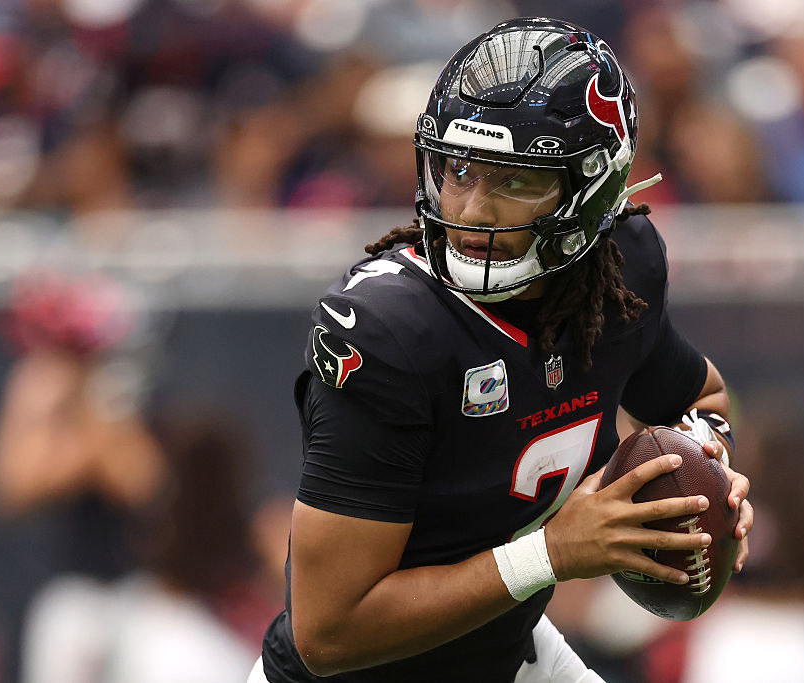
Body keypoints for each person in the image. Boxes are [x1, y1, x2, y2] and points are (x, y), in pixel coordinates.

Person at [252, 18, 753, 683]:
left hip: (501, 648)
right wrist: (551, 553)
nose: (474, 209)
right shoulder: (390, 328)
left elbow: (702, 399)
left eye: (516, 181)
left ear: (593, 189)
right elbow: (326, 630)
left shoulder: (621, 268)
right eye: (458, 170)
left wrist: (706, 462)